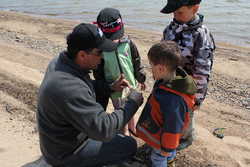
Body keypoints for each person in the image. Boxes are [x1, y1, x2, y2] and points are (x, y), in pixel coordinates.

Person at [37, 23, 144, 167]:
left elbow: (85, 86)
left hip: (58, 141)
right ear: (82, 55)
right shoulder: (68, 87)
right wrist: (132, 103)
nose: (103, 57)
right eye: (100, 52)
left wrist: (110, 87)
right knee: (128, 145)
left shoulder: (61, 63)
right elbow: (104, 130)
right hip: (66, 154)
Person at [161, 0, 215, 150]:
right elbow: (162, 53)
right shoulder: (170, 29)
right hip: (169, 83)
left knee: (186, 115)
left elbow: (202, 71)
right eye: (173, 12)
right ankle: (170, 133)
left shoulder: (201, 35)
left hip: (189, 88)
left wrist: (197, 98)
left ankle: (185, 138)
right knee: (169, 110)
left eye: (179, 12)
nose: (175, 16)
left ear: (195, 8)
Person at [136, 41, 197, 167]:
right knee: (168, 155)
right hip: (163, 133)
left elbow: (173, 126)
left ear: (160, 68)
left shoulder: (172, 99)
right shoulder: (167, 81)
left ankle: (168, 157)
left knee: (158, 158)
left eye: (151, 66)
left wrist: (167, 148)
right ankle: (170, 160)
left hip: (164, 140)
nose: (150, 69)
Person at [93, 8, 146, 135]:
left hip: (131, 83)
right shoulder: (101, 50)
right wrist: (105, 86)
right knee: (120, 110)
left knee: (132, 106)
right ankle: (124, 132)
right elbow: (98, 70)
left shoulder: (128, 44)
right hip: (115, 87)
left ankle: (132, 127)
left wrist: (141, 78)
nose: (114, 40)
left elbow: (136, 62)